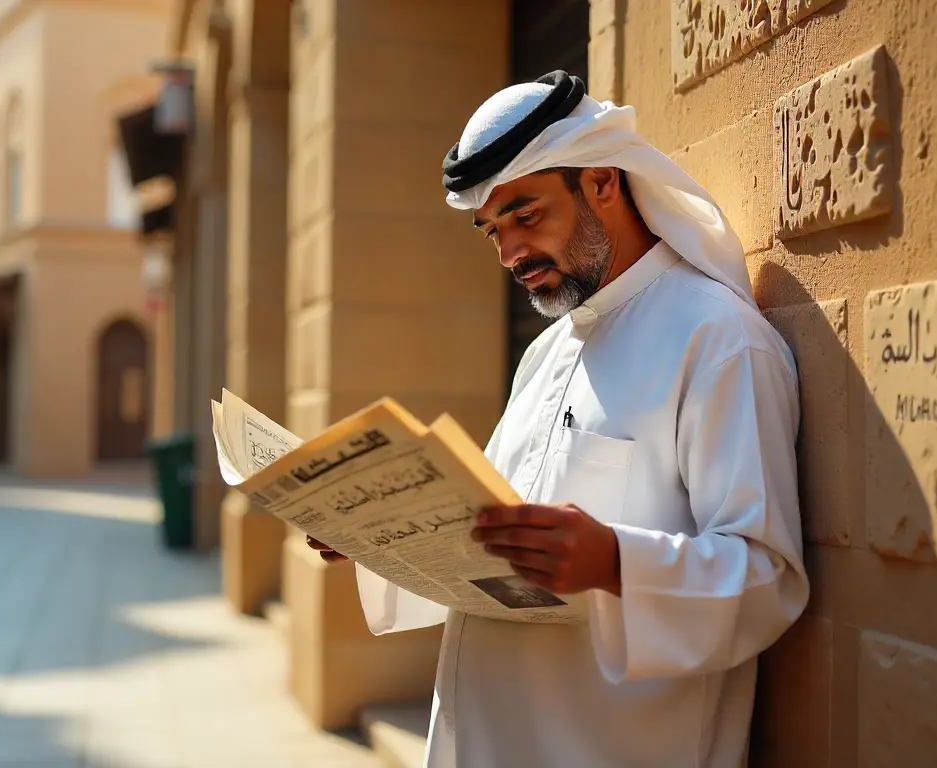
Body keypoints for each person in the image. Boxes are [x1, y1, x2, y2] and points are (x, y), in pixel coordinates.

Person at [307, 71, 808, 767]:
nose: (510, 253)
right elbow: (482, 539)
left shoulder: (718, 339)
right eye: (491, 231)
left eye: (526, 215)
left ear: (602, 181)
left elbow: (767, 579)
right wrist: (377, 532)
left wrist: (614, 563)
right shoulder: (543, 354)